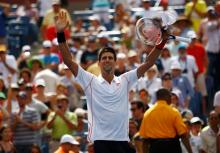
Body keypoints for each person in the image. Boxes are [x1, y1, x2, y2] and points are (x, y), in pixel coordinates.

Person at [55, 11, 169, 153]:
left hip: (122, 141)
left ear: (115, 62)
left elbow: (149, 62)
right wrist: (60, 33)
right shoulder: (89, 80)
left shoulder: (125, 79)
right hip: (101, 142)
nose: (107, 60)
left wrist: (162, 42)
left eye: (110, 58)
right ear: (99, 63)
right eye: (104, 58)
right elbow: (68, 61)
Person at [139, 88, 192, 153]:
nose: (171, 98)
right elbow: (183, 135)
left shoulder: (148, 113)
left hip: (155, 149)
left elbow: (145, 140)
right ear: (166, 96)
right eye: (170, 96)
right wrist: (190, 151)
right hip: (172, 148)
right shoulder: (173, 112)